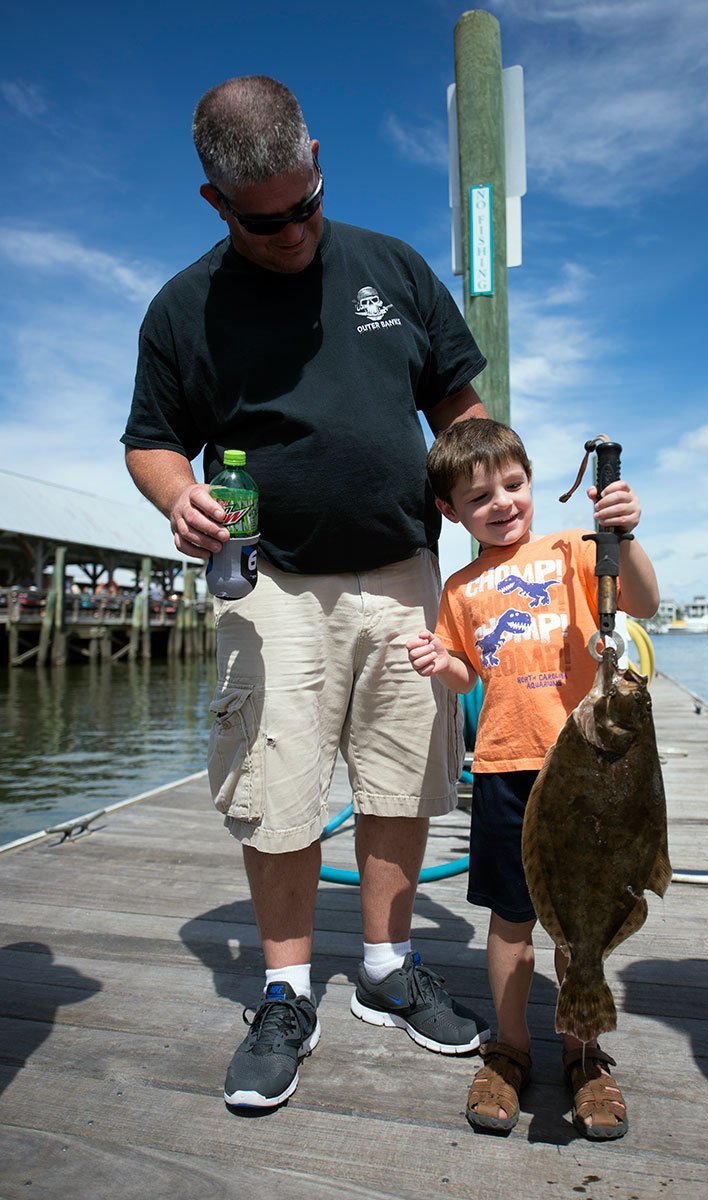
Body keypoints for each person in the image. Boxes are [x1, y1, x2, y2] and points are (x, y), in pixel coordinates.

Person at [121, 75, 491, 1110]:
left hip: (404, 571)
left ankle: (385, 968)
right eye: (262, 221)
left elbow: (459, 403)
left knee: (402, 778)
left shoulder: (393, 267)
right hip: (269, 579)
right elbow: (151, 441)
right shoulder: (182, 308)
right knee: (277, 789)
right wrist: (178, 496)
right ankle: (285, 992)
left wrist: (482, 493)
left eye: (306, 206)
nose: (292, 233)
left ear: (318, 160)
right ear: (215, 202)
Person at [406, 419, 660, 1139]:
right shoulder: (459, 587)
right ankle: (510, 1048)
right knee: (511, 919)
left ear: (530, 483)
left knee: (579, 920)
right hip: (503, 770)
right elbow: (467, 671)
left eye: (513, 485)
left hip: (584, 772)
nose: (502, 503)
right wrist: (442, 663)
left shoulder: (576, 549)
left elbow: (642, 602)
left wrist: (624, 535)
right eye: (479, 496)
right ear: (450, 511)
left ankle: (583, 1053)